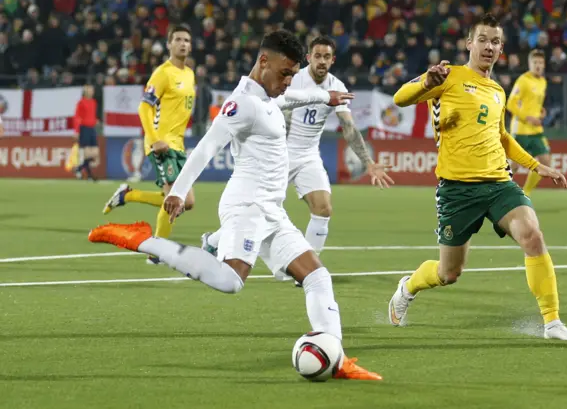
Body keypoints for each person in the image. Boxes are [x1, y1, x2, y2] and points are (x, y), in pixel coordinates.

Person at [88, 30, 382, 380]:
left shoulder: (271, 96)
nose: (289, 81)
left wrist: (325, 96)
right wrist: (178, 191)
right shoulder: (242, 103)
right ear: (263, 62)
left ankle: (337, 357)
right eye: (285, 73)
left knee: (318, 276)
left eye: (292, 74)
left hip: (272, 210)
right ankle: (141, 239)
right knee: (231, 281)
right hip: (247, 205)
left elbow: (293, 98)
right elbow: (208, 146)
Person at [387, 14, 567, 341]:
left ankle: (552, 323)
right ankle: (408, 287)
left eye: (495, 41)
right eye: (483, 39)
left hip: (498, 184)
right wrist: (426, 83)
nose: (489, 46)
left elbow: (503, 136)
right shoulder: (447, 76)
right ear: (469, 43)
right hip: (457, 190)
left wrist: (536, 165)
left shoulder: (497, 90)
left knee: (532, 235)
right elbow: (399, 99)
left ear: (501, 48)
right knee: (449, 273)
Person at [201, 36, 394, 286]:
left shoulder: (337, 85)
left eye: (327, 57)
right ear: (309, 58)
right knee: (261, 212)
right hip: (279, 155)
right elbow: (276, 109)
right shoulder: (292, 78)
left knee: (324, 208)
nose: (322, 61)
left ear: (333, 60)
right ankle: (214, 242)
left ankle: (305, 273)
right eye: (317, 56)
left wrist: (368, 162)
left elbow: (348, 126)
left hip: (308, 156)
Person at [102, 24, 196, 265]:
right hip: (161, 143)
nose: (183, 44)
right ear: (169, 44)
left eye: (186, 40)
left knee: (188, 202)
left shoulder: (189, 74)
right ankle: (157, 252)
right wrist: (154, 139)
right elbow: (144, 106)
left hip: (178, 144)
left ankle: (128, 195)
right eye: (178, 39)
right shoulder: (162, 73)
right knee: (175, 198)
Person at [507, 49, 550, 197]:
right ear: (530, 64)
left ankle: (526, 193)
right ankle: (495, 189)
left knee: (545, 161)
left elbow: (534, 104)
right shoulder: (523, 80)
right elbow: (510, 104)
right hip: (521, 129)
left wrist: (540, 112)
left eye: (540, 62)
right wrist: (528, 117)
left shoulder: (543, 82)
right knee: (514, 165)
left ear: (544, 65)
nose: (538, 65)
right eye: (535, 62)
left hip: (536, 130)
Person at [73, 85, 99, 181]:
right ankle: (89, 175)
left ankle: (79, 168)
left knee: (94, 153)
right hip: (84, 128)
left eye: (92, 90)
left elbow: (92, 115)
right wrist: (76, 131)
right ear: (85, 91)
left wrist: (95, 120)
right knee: (87, 153)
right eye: (89, 90)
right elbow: (77, 117)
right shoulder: (81, 102)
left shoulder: (94, 102)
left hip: (92, 128)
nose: (91, 92)